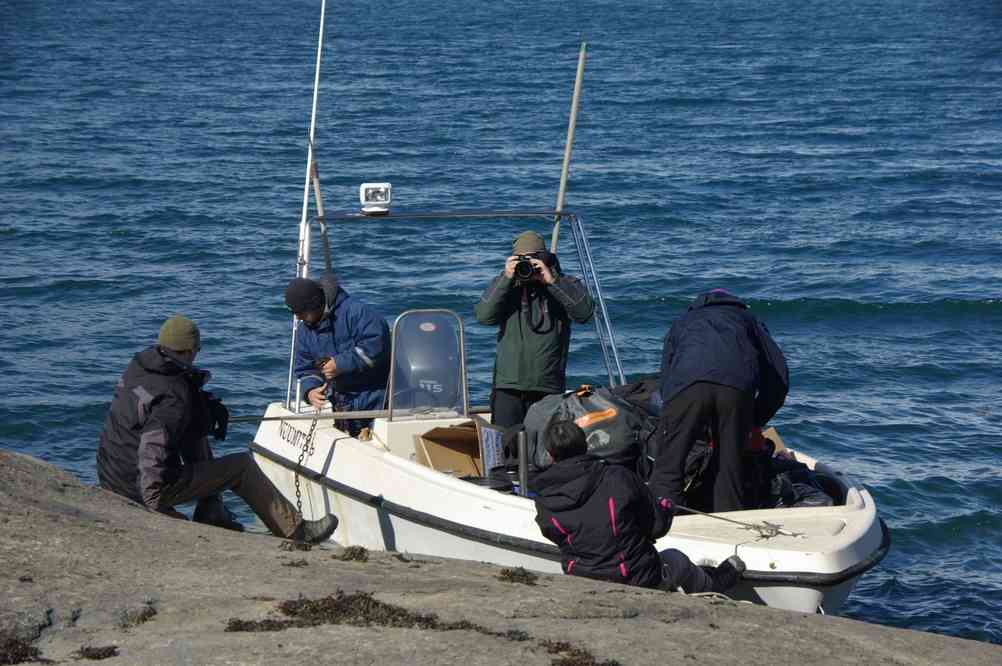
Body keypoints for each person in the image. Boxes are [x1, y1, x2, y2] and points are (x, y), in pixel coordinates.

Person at [96, 314, 337, 543]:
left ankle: (212, 510)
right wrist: (154, 504)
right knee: (242, 467)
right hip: (138, 485)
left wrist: (200, 408)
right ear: (191, 351)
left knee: (194, 427)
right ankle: (296, 530)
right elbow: (152, 446)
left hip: (111, 475)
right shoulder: (173, 396)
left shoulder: (140, 368)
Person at [531, 420, 744, 593]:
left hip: (582, 579)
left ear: (550, 455)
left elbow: (555, 533)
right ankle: (713, 586)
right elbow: (657, 527)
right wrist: (665, 507)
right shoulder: (617, 477)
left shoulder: (544, 497)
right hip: (636, 578)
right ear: (586, 445)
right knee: (675, 558)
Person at [648, 289, 790, 513]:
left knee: (669, 464)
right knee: (729, 465)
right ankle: (727, 522)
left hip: (686, 386)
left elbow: (667, 374)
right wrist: (754, 419)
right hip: (735, 389)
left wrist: (675, 414)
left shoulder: (683, 321)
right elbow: (778, 376)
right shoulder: (748, 320)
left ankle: (662, 517)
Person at [475, 230, 595, 428]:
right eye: (523, 260)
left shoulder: (564, 284)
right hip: (508, 386)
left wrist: (551, 281)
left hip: (547, 386)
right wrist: (507, 278)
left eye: (533, 260)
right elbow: (484, 316)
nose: (528, 266)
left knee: (543, 449)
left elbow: (585, 313)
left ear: (545, 258)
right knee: (506, 447)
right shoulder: (506, 286)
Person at [284, 273, 390, 437]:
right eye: (295, 313)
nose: (297, 317)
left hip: (377, 398)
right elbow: (306, 368)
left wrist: (340, 364)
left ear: (315, 304)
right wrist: (310, 391)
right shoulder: (305, 331)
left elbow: (377, 345)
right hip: (342, 404)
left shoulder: (356, 312)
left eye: (301, 312)